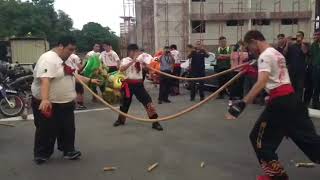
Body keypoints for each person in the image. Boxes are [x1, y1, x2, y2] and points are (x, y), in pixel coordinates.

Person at [227, 30, 320, 180]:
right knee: (310, 141)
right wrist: (253, 71)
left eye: (250, 47)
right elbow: (276, 77)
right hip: (292, 100)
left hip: (280, 104)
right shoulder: (277, 53)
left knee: (258, 139)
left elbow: (262, 82)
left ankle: (277, 176)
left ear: (254, 41)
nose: (250, 51)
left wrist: (243, 103)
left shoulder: (265, 56)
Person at [31, 36, 100, 165]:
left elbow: (74, 75)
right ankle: (42, 154)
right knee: (46, 129)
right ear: (61, 46)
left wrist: (90, 80)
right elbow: (45, 79)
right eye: (70, 49)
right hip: (49, 103)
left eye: (73, 50)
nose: (71, 52)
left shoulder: (66, 60)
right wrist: (45, 99)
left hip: (65, 103)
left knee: (67, 128)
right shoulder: (48, 59)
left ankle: (68, 150)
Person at [113, 44, 163, 131]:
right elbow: (121, 69)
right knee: (124, 103)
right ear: (130, 52)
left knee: (148, 102)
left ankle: (155, 122)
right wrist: (133, 61)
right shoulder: (125, 60)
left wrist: (147, 66)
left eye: (137, 51)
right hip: (128, 85)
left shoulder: (140, 60)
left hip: (139, 85)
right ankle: (120, 120)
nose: (137, 53)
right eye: (135, 51)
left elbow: (147, 69)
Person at [285, 31, 309, 101]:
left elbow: (305, 52)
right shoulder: (292, 46)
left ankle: (299, 104)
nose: (298, 37)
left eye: (300, 35)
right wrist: (287, 43)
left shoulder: (305, 45)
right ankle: (293, 103)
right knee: (292, 88)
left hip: (301, 71)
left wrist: (301, 42)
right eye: (297, 35)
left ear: (302, 37)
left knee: (300, 88)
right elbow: (285, 53)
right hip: (292, 71)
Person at [310, 29, 320, 109]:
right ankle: (315, 104)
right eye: (315, 34)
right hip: (315, 69)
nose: (316, 36)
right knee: (316, 87)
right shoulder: (313, 45)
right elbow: (311, 56)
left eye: (317, 34)